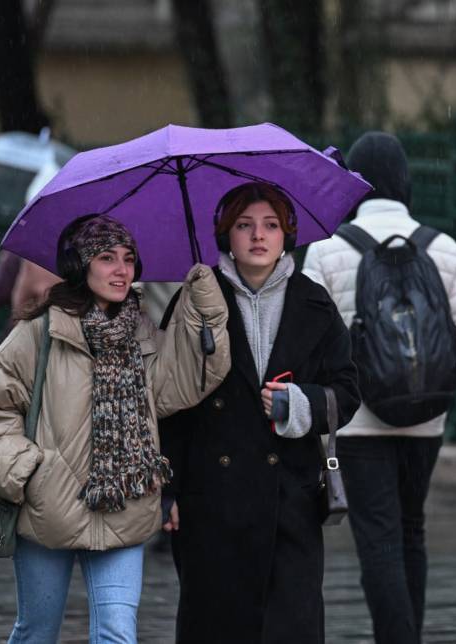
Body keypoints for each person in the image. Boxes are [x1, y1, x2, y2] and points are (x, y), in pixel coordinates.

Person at [0, 214, 230, 643]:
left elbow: (186, 383)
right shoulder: (39, 331)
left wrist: (205, 298)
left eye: (129, 258)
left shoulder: (141, 333)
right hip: (49, 515)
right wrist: (30, 474)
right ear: (82, 266)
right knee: (36, 632)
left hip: (125, 506)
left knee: (118, 633)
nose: (122, 270)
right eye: (106, 258)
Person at [302, 131, 456, 644]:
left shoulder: (328, 250)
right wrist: (433, 385)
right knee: (412, 532)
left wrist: (350, 393)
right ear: (404, 181)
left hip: (360, 427)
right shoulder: (441, 246)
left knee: (379, 541)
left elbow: (312, 343)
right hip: (426, 421)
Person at [159, 181, 360, 644]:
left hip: (290, 501)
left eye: (270, 225)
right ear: (225, 234)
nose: (258, 236)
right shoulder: (194, 300)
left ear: (287, 234)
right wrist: (166, 488)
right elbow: (167, 402)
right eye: (244, 225)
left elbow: (347, 391)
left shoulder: (315, 304)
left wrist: (301, 404)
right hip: (211, 502)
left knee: (290, 627)